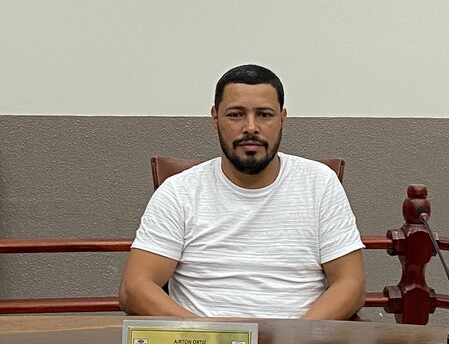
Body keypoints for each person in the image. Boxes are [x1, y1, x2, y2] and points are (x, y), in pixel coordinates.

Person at [119, 64, 365, 319]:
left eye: (264, 115)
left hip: (299, 339)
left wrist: (297, 336)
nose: (251, 127)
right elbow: (134, 289)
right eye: (236, 115)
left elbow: (351, 285)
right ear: (215, 120)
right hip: (202, 341)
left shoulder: (320, 184)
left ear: (282, 120)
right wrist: (211, 336)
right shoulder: (179, 192)